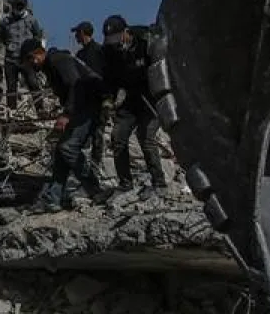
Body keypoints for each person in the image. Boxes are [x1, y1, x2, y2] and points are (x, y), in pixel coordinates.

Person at [29, 44, 111, 212]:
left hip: (91, 105)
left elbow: (76, 84)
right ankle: (53, 198)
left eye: (31, 59)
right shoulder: (51, 66)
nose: (32, 64)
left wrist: (67, 114)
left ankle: (95, 189)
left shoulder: (57, 59)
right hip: (83, 106)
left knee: (68, 147)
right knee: (61, 150)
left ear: (39, 53)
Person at [102, 14, 168, 198]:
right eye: (110, 41)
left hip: (151, 97)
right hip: (131, 98)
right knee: (118, 136)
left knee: (146, 137)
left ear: (126, 31)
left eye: (117, 38)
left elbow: (162, 70)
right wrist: (108, 100)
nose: (115, 43)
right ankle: (125, 184)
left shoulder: (146, 41)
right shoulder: (110, 52)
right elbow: (109, 79)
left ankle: (159, 183)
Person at [0, 0, 45, 110]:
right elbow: (2, 37)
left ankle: (40, 109)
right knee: (11, 87)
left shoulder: (32, 20)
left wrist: (32, 51)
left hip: (26, 60)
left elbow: (38, 36)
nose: (19, 8)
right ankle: (11, 111)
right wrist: (9, 46)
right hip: (10, 59)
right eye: (17, 6)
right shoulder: (5, 22)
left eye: (21, 6)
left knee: (33, 84)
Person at [72, 21, 109, 172]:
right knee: (83, 134)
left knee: (97, 134)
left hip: (99, 99)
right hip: (84, 101)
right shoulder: (80, 54)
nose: (75, 37)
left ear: (82, 33)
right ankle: (84, 167)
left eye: (77, 33)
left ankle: (95, 166)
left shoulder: (99, 51)